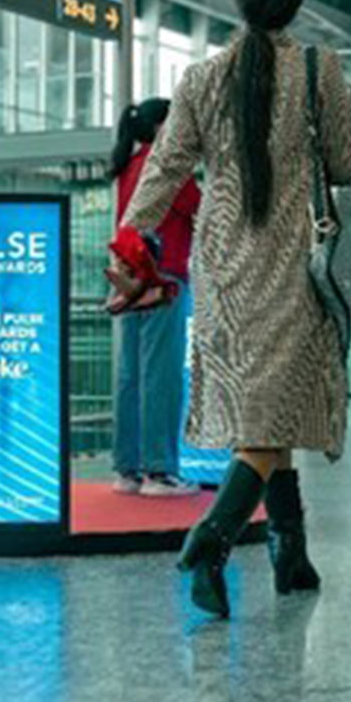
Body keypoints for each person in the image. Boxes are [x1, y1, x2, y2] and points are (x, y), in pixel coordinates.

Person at [111, 0, 351, 618]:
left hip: (221, 269)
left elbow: (164, 167)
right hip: (287, 264)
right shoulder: (320, 70)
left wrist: (130, 239)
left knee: (266, 415)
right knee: (269, 420)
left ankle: (293, 555)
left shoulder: (200, 79)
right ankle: (212, 539)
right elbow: (345, 163)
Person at [108, 98, 203, 497]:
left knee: (130, 375)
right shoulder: (168, 168)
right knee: (161, 376)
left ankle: (127, 470)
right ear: (165, 126)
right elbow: (203, 210)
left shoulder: (129, 167)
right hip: (165, 280)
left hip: (130, 281)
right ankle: (160, 472)